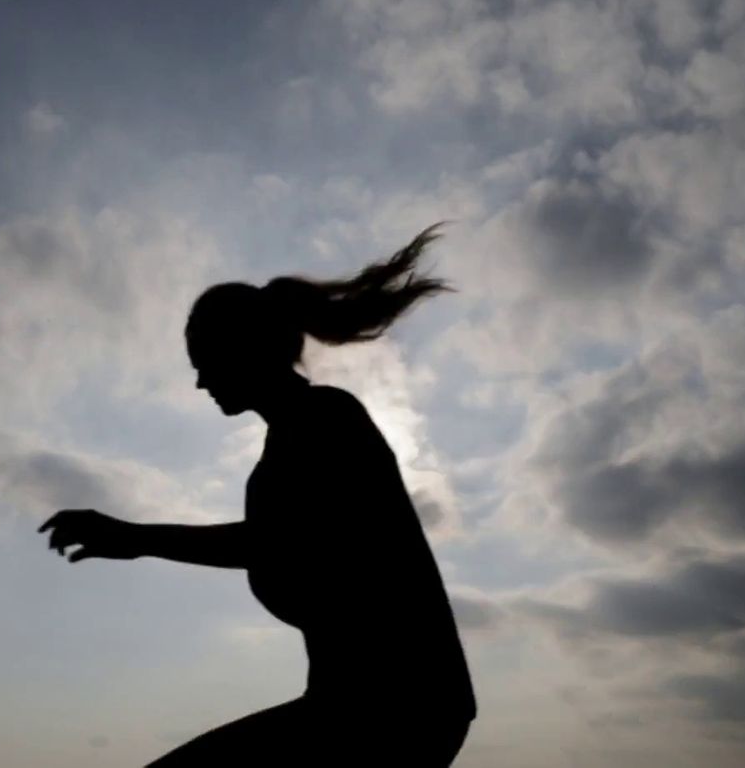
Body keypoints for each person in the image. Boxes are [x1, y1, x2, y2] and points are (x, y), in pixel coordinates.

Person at [38, 221, 477, 766]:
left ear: (239, 350)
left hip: (392, 709)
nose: (199, 382)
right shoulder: (291, 441)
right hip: (358, 706)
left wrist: (135, 537)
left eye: (202, 361)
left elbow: (276, 543)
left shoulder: (325, 418)